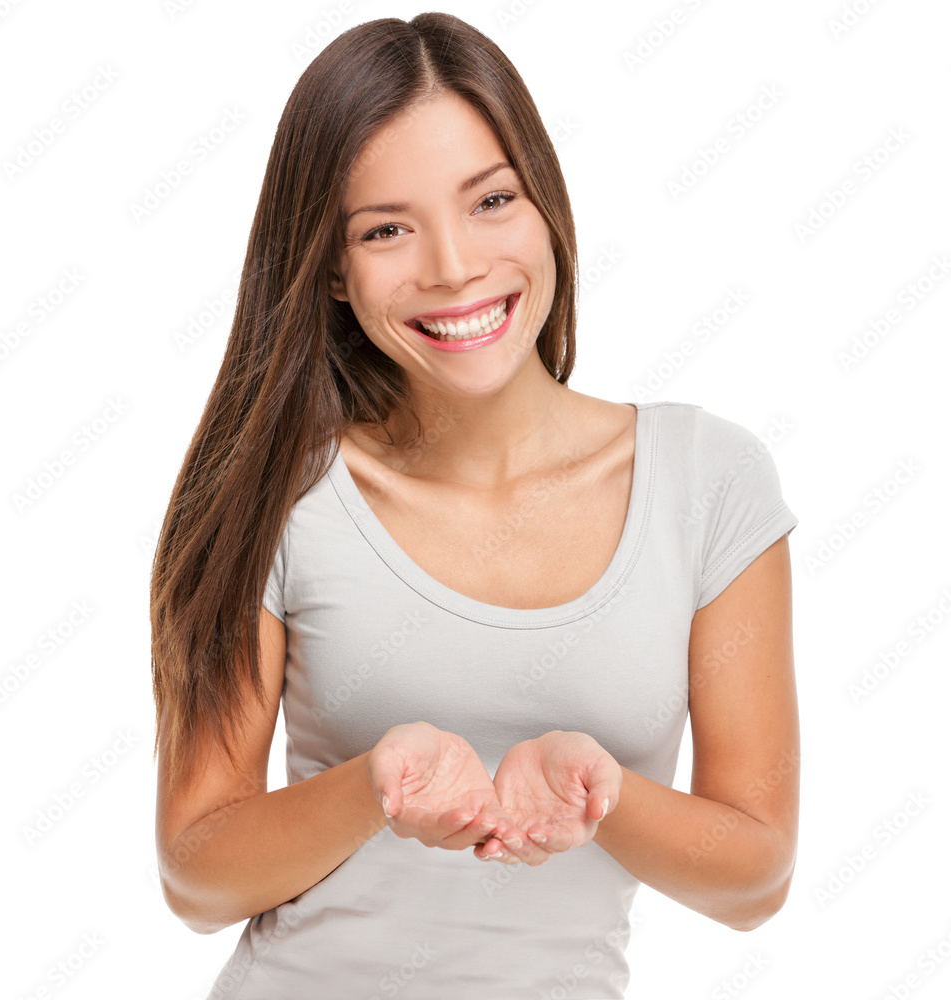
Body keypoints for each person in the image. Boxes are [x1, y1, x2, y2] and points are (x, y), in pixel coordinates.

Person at [149, 13, 800, 999]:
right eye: (386, 229)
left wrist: (607, 794)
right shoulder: (276, 493)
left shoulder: (709, 483)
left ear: (545, 204)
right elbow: (196, 875)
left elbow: (755, 875)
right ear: (331, 267)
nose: (452, 266)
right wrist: (375, 785)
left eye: (491, 200)